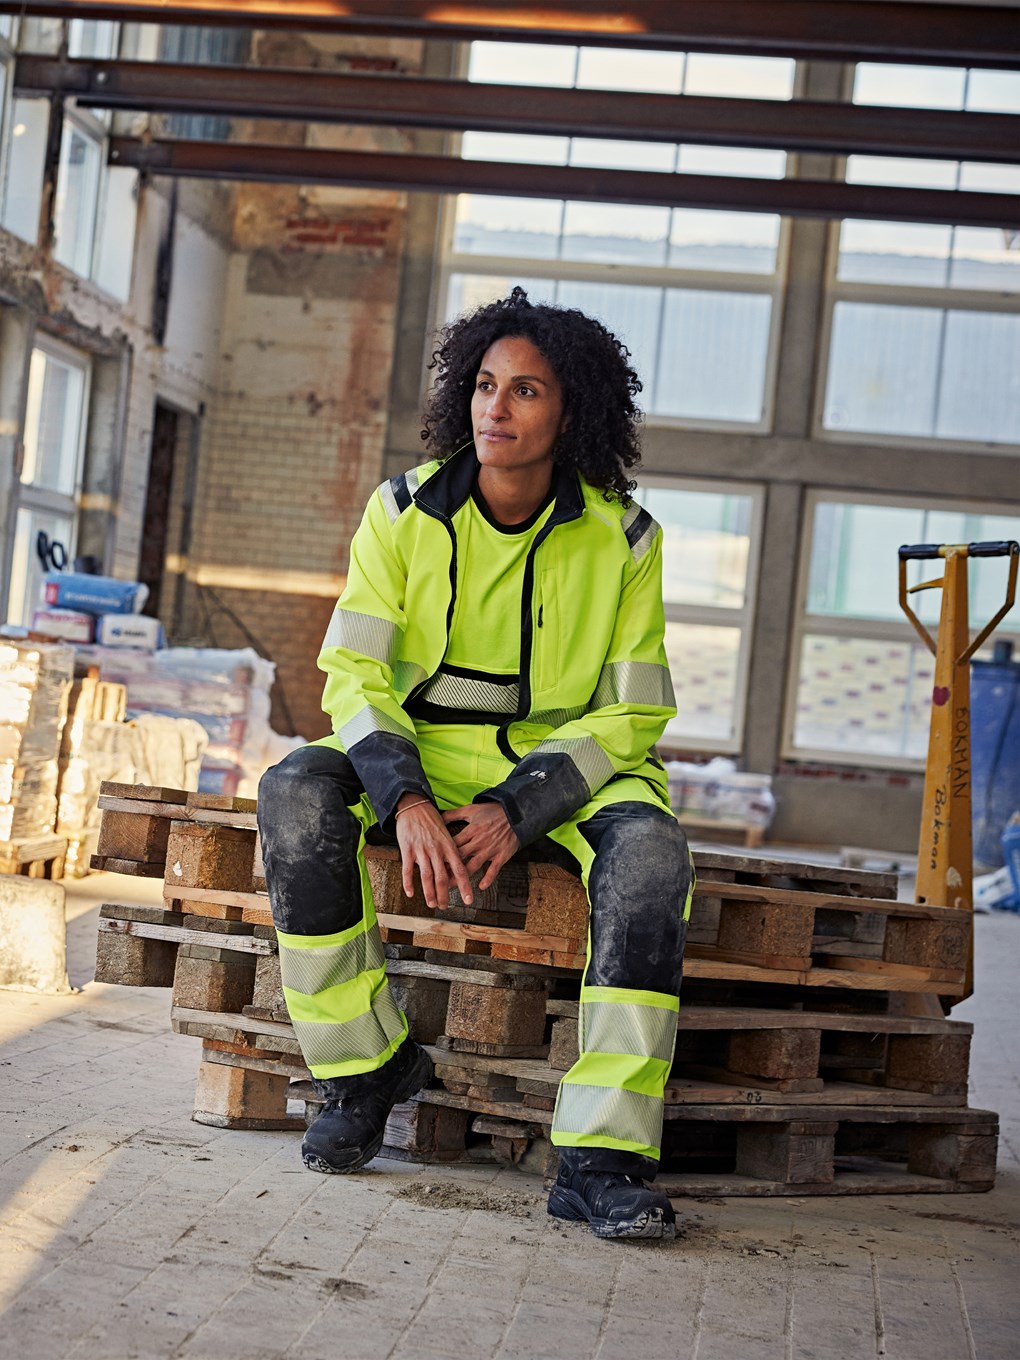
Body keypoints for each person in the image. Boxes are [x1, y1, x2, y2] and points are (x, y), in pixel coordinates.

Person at [258, 287, 693, 1241]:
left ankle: (601, 1158)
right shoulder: (401, 511)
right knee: (294, 791)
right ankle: (363, 1069)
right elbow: (355, 673)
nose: (497, 407)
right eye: (486, 385)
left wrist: (521, 806)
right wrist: (404, 796)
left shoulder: (626, 539)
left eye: (527, 390)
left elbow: (633, 709)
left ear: (572, 412)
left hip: (562, 767)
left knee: (652, 856)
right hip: (419, 752)